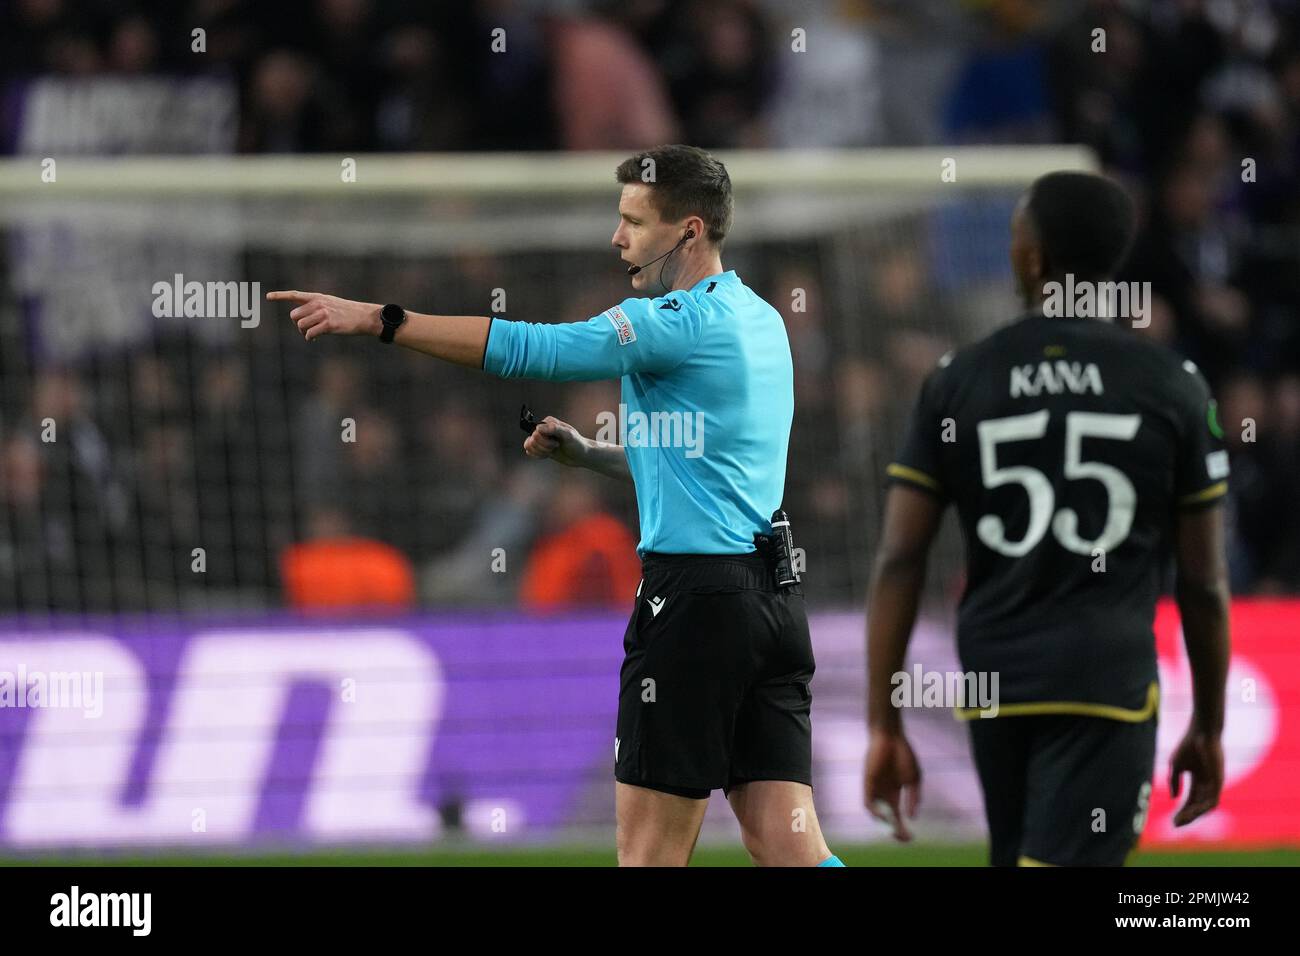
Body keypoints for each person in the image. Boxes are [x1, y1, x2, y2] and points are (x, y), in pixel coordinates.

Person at [268, 144, 840, 867]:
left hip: (695, 608)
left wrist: (381, 320)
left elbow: (538, 350)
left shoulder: (674, 321)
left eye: (634, 221)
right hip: (772, 606)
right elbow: (700, 468)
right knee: (791, 849)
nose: (617, 237)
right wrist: (588, 455)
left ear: (690, 231)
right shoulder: (759, 319)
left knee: (648, 858)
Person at [863, 171, 1231, 866]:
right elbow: (1204, 580)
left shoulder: (959, 378)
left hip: (994, 679)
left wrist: (884, 722)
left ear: (1031, 257)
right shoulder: (1171, 386)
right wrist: (1209, 724)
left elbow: (899, 558)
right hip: (1105, 678)